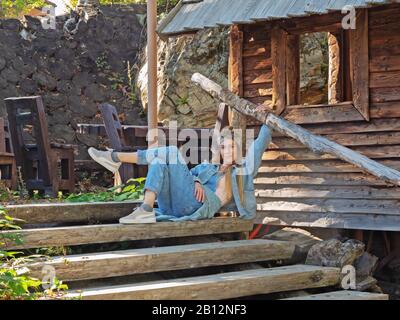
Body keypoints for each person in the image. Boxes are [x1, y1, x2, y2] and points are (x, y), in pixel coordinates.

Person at [88, 122, 272, 224]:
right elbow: (188, 176)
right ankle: (146, 208)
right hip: (175, 205)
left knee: (171, 153)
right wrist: (197, 181)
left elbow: (260, 144)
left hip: (198, 206)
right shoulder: (209, 167)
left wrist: (268, 119)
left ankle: (115, 158)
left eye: (232, 146)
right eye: (224, 147)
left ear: (239, 148)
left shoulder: (243, 172)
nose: (227, 151)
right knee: (160, 161)